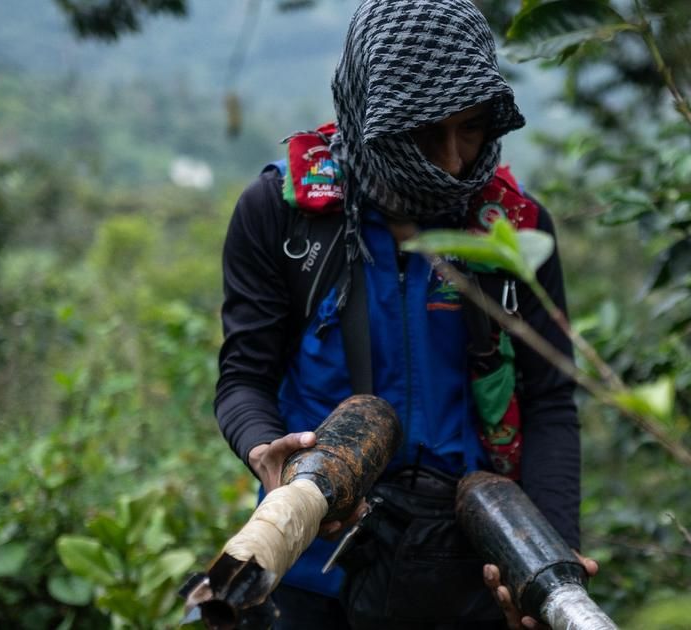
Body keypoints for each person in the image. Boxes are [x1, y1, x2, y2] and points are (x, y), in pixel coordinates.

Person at [214, 1, 594, 627]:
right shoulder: (282, 214)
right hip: (311, 565)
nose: (451, 160)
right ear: (371, 116)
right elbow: (244, 380)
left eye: (470, 128)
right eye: (425, 131)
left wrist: (548, 550)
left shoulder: (514, 231)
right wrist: (264, 448)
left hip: (468, 567)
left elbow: (550, 399)